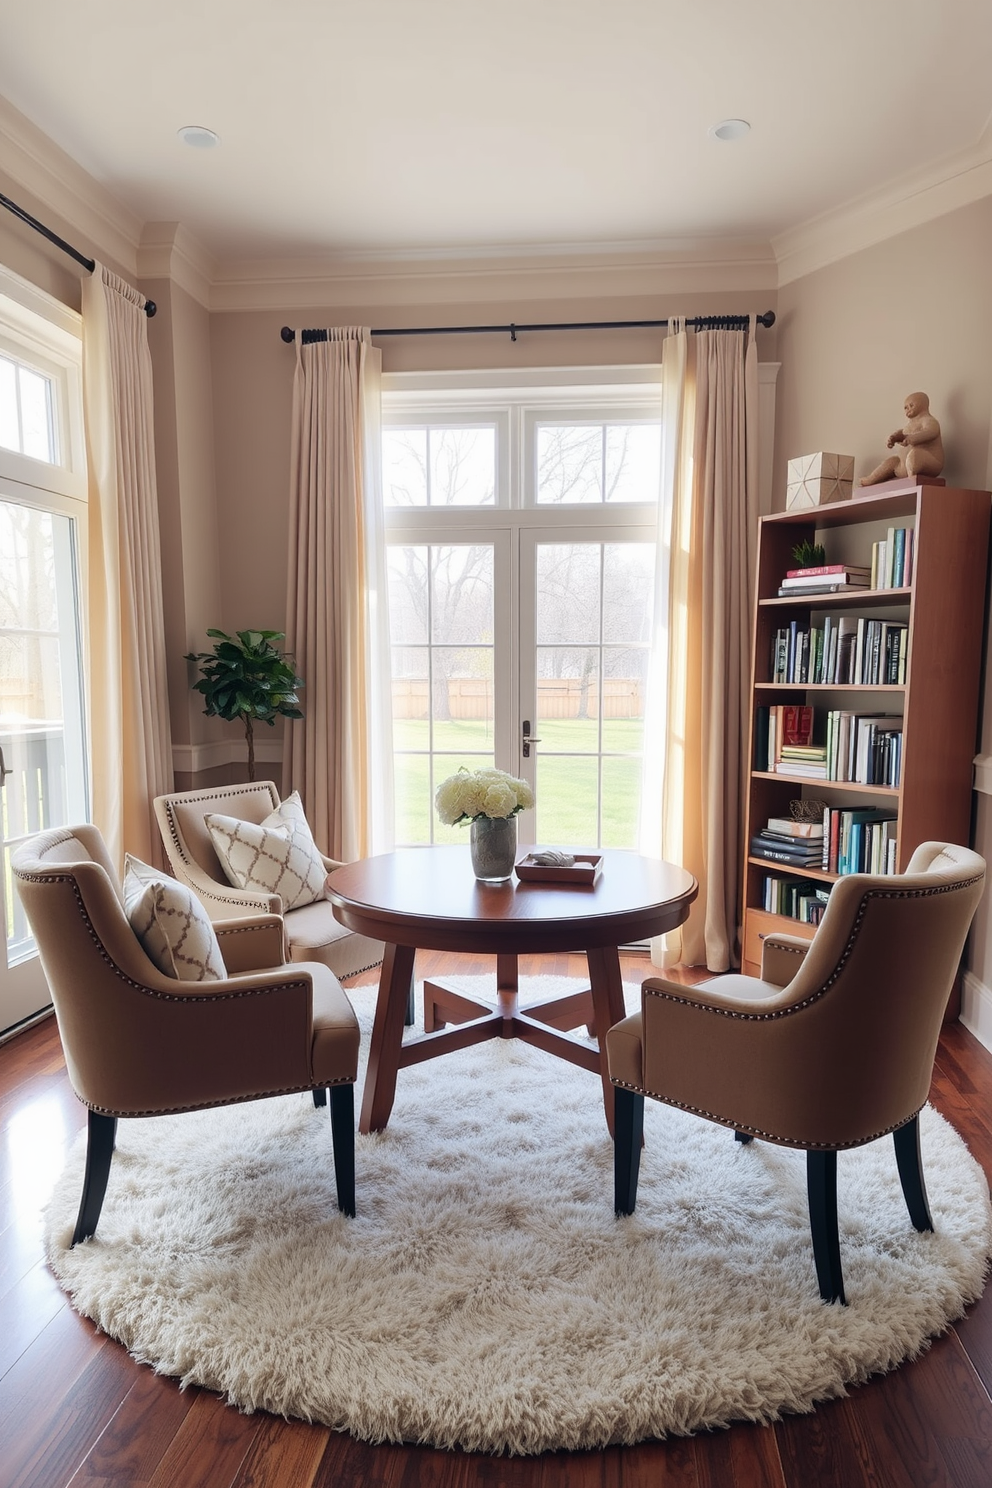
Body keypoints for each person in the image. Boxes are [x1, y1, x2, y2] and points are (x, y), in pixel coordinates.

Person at [859, 391, 944, 486]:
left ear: (924, 405)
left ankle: (911, 480)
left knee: (915, 455)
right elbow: (903, 433)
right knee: (892, 461)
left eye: (911, 405)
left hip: (929, 461)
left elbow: (931, 432)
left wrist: (912, 438)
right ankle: (870, 480)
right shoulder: (910, 425)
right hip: (904, 466)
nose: (908, 409)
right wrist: (894, 437)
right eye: (906, 407)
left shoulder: (928, 420)